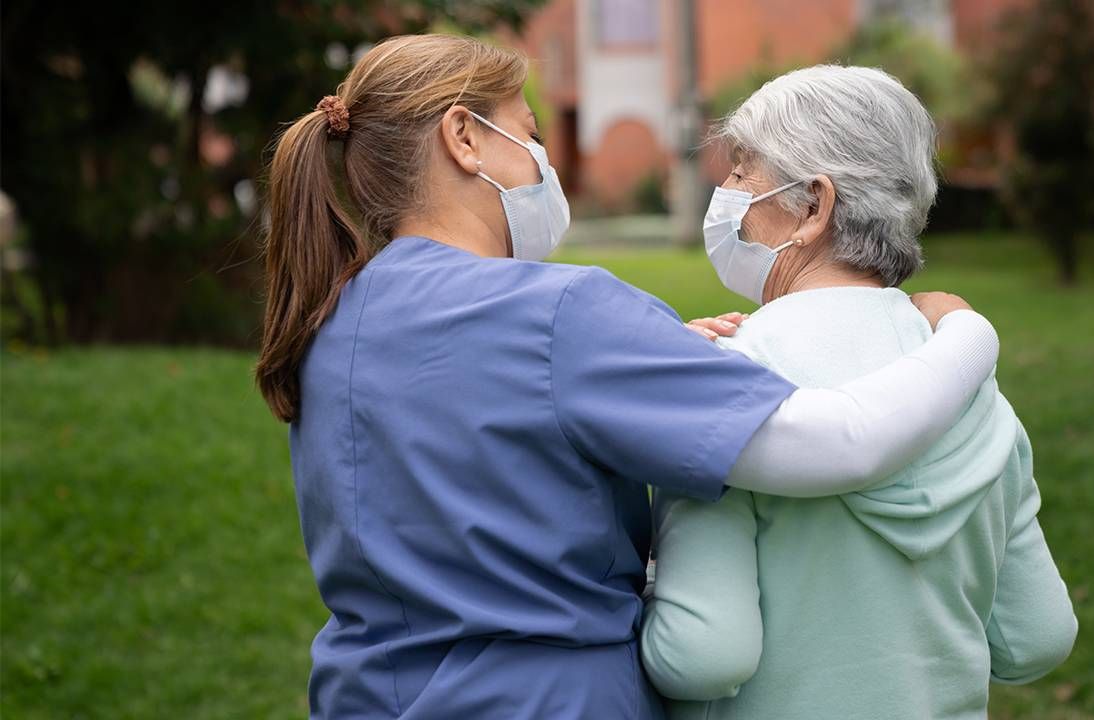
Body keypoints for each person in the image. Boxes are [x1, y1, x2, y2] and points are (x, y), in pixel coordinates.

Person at [255, 36, 1000, 719]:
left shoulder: (332, 320)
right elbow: (842, 445)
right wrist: (966, 334)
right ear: (464, 137)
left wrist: (639, 362)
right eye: (533, 135)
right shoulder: (564, 314)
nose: (544, 163)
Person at [641, 65, 1077, 720]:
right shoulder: (970, 390)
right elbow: (1037, 638)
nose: (724, 192)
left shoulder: (725, 385)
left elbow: (706, 654)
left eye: (740, 172)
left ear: (813, 205)